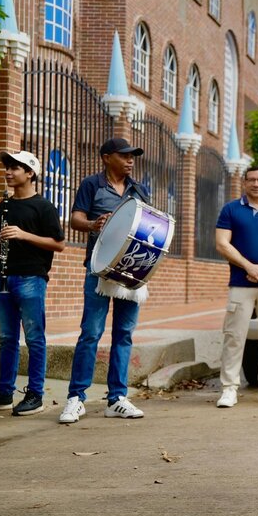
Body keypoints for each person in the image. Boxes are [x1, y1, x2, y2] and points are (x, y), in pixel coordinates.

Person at [59, 138, 151, 424]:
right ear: (106, 157)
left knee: (123, 334)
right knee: (91, 333)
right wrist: (93, 224)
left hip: (130, 271)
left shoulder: (139, 189)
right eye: (124, 155)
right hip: (99, 269)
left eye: (132, 156)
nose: (130, 160)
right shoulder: (91, 185)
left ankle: (117, 398)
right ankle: (76, 398)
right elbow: (75, 220)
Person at [0, 152, 63, 418]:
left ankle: (35, 395)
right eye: (8, 168)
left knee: (35, 339)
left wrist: (24, 234)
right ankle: (4, 393)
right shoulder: (5, 206)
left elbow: (58, 244)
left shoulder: (44, 207)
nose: (9, 172)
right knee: (7, 339)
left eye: (15, 168)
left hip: (31, 279)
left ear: (30, 173)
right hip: (4, 278)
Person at [214, 166, 258, 408]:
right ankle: (229, 388)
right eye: (252, 180)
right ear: (244, 183)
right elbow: (222, 244)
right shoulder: (231, 210)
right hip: (240, 284)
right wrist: (249, 267)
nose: (256, 184)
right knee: (234, 337)